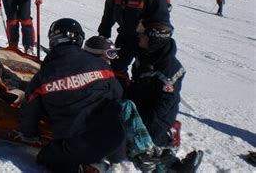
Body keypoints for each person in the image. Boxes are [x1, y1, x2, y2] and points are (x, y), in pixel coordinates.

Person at [20, 19, 202, 172]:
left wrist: (29, 134)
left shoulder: (43, 77)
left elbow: (30, 111)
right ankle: (163, 165)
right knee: (124, 108)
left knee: (45, 157)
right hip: (114, 141)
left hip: (78, 146)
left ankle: (92, 166)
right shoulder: (100, 65)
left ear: (53, 41)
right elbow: (118, 95)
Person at [97, 0, 172, 89]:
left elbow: (161, 18)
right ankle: (122, 91)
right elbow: (110, 8)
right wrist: (104, 32)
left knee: (141, 73)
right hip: (126, 35)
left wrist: (151, 43)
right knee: (116, 66)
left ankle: (138, 99)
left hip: (146, 40)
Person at [127, 21, 185, 148]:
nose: (139, 37)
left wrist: (145, 123)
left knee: (147, 141)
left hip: (158, 114)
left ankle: (170, 134)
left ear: (154, 40)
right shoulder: (144, 54)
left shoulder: (169, 68)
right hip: (141, 100)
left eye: (143, 35)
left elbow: (165, 103)